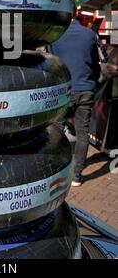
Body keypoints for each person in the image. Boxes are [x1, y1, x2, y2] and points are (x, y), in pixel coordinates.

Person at [49, 13, 100, 187]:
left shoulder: (56, 35)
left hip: (64, 89)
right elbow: (96, 64)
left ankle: (55, 168)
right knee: (82, 131)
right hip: (86, 88)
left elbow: (52, 63)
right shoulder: (89, 34)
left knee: (56, 129)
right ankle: (77, 174)